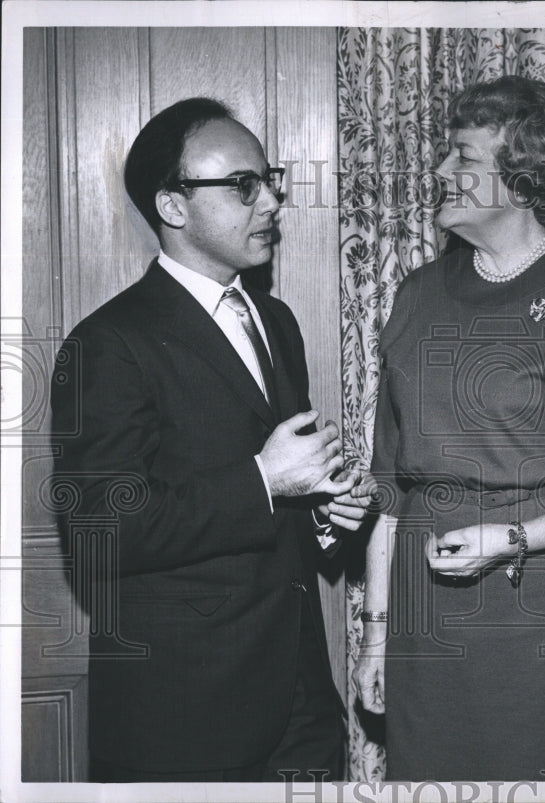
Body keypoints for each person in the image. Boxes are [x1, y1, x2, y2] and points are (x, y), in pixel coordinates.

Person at [353, 75, 545, 781]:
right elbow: (389, 495)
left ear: (525, 182)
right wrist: (376, 636)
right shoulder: (416, 295)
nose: (439, 172)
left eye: (462, 159)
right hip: (426, 624)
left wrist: (515, 538)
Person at [50, 97, 369, 782]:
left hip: (301, 707)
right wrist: (265, 479)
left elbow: (281, 486)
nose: (273, 201)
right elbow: (98, 524)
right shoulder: (107, 344)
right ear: (172, 205)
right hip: (183, 724)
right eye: (243, 186)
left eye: (271, 179)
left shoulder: (276, 320)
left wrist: (321, 509)